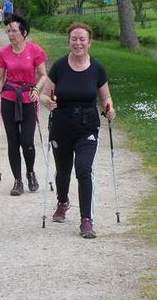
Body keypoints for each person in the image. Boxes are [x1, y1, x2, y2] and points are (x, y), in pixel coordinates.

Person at [34, 23, 115, 239]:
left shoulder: (97, 69)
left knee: (83, 170)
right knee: (63, 171)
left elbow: (105, 96)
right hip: (61, 125)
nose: (78, 43)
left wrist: (110, 108)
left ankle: (86, 219)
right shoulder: (60, 66)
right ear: (69, 41)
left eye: (82, 39)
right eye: (74, 39)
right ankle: (62, 202)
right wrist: (47, 103)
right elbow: (43, 94)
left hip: (87, 126)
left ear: (90, 42)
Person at [0, 15, 48, 196]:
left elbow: (43, 75)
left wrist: (37, 90)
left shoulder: (34, 50)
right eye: (8, 30)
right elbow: (0, 77)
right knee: (13, 141)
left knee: (27, 142)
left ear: (24, 32)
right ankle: (17, 181)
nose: (10, 34)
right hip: (9, 98)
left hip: (28, 99)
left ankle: (30, 172)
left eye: (14, 31)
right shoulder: (3, 53)